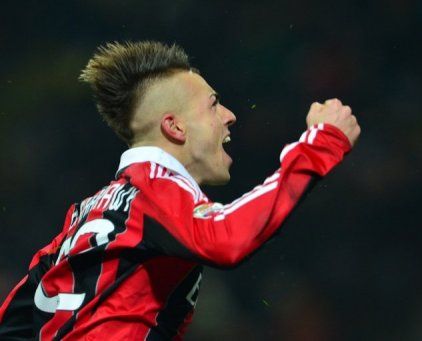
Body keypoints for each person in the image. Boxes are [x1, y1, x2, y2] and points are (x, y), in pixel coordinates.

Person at [0, 41, 360, 340]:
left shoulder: (85, 214)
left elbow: (14, 323)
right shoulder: (153, 189)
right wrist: (320, 143)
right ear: (174, 127)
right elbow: (225, 239)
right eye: (214, 104)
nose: (230, 115)